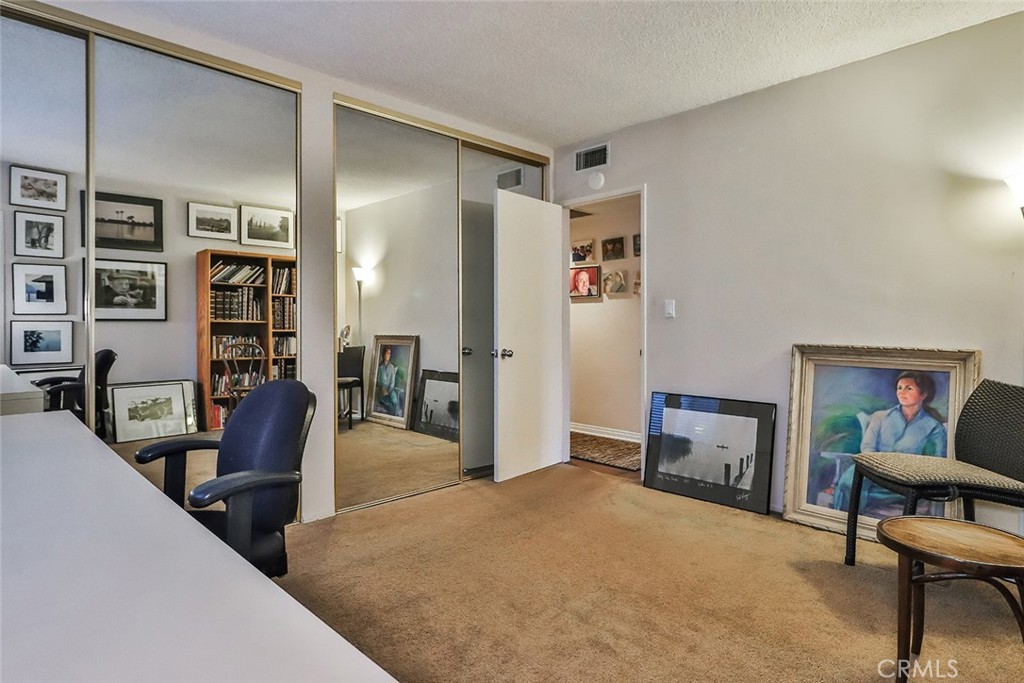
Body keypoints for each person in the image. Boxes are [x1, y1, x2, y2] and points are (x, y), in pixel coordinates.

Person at [832, 370, 947, 512]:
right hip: (872, 469)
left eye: (908, 388)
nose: (901, 392)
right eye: (899, 388)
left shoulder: (934, 427)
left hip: (904, 477)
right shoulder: (880, 417)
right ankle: (846, 527)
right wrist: (878, 468)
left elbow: (936, 461)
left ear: (923, 394)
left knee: (898, 492)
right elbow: (867, 447)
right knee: (847, 484)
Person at [375, 345, 402, 416]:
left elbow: (392, 381)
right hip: (382, 390)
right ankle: (388, 416)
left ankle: (394, 418)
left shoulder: (392, 367)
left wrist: (389, 391)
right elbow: (378, 380)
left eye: (389, 353)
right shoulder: (380, 367)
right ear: (384, 354)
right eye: (387, 353)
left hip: (390, 389)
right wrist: (382, 389)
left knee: (395, 401)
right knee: (384, 401)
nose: (388, 355)